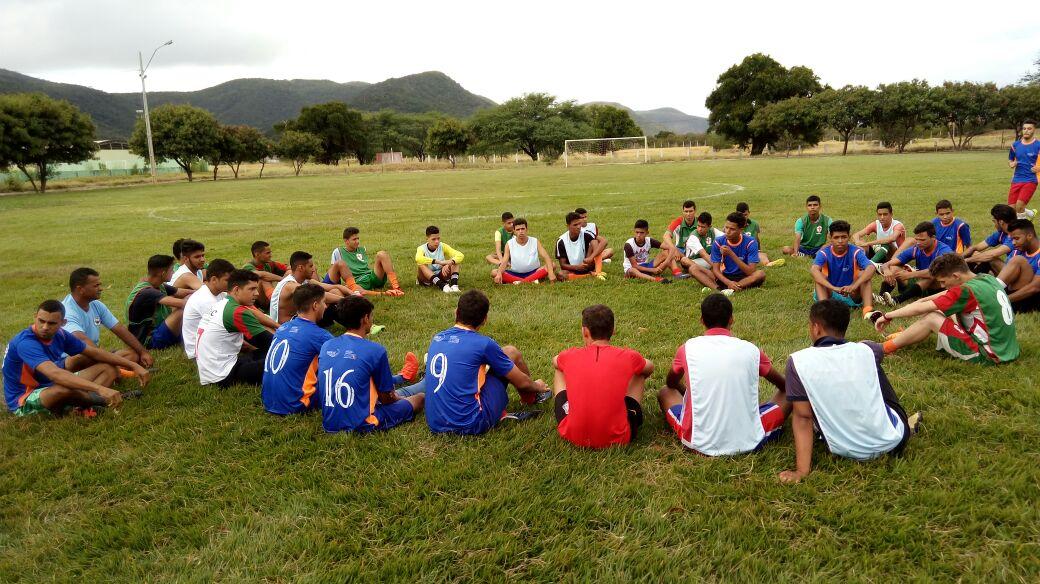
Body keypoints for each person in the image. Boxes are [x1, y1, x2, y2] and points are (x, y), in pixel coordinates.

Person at [778, 300, 920, 484]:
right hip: (894, 442)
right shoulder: (868, 350)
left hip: (844, 449)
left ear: (816, 328)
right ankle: (901, 422)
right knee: (871, 363)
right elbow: (877, 351)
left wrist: (801, 471)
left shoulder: (798, 361)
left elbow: (803, 417)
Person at [657, 293, 789, 456]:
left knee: (665, 392)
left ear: (702, 321)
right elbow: (783, 386)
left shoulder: (687, 348)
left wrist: (692, 393)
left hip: (697, 441)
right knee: (791, 393)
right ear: (731, 319)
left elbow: (671, 383)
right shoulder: (751, 350)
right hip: (750, 439)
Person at [425, 290, 549, 435]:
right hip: (471, 424)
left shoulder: (438, 338)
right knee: (511, 352)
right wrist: (538, 386)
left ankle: (527, 398)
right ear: (485, 319)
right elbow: (523, 383)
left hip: (435, 423)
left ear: (456, 312)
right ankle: (531, 397)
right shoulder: (484, 344)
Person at [4, 300, 150, 416]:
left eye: (51, 323)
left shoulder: (61, 334)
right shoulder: (26, 342)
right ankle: (102, 400)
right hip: (25, 398)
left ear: (63, 323)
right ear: (35, 317)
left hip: (49, 383)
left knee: (107, 368)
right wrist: (100, 389)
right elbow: (56, 375)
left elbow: (95, 353)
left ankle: (79, 406)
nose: (44, 327)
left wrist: (133, 365)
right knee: (64, 389)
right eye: (41, 321)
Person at [872, 254, 1019, 364]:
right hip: (1007, 349)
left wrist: (887, 316)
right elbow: (928, 300)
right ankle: (905, 335)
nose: (942, 286)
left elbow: (923, 308)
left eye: (943, 281)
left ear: (955, 275)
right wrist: (919, 303)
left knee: (932, 318)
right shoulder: (986, 278)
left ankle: (883, 348)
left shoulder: (964, 291)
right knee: (945, 310)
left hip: (988, 355)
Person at [317, 295, 425, 433]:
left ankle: (406, 379)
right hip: (361, 423)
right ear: (366, 319)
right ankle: (418, 382)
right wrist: (401, 399)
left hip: (330, 421)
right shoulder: (375, 350)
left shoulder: (327, 345)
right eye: (371, 316)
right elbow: (387, 399)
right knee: (420, 398)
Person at [552, 305, 653, 448]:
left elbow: (555, 361)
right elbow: (649, 367)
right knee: (640, 373)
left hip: (573, 435)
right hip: (619, 438)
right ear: (613, 330)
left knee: (559, 369)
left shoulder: (569, 355)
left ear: (585, 331)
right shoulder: (629, 356)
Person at [262, 283, 336, 416]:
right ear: (315, 305)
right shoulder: (319, 335)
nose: (326, 306)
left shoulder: (282, 328)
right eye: (324, 302)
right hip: (295, 404)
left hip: (268, 401)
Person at [195, 270, 274, 387]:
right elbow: (272, 343)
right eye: (252, 289)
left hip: (212, 371)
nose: (257, 293)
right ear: (236, 290)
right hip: (223, 376)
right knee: (284, 359)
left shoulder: (222, 304)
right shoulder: (237, 312)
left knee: (263, 353)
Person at [62, 267, 153, 367]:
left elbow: (119, 329)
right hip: (72, 359)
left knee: (133, 353)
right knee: (84, 357)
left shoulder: (96, 305)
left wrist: (143, 352)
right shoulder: (67, 312)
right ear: (80, 289)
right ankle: (110, 370)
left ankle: (107, 369)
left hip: (94, 354)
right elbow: (84, 345)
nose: (101, 288)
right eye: (96, 285)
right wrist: (130, 365)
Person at [876, 222, 953, 305]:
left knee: (931, 277)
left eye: (922, 240)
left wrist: (910, 275)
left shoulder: (944, 251)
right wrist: (886, 269)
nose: (919, 242)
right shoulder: (916, 248)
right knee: (894, 267)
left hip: (937, 288)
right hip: (919, 285)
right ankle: (881, 297)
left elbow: (935, 272)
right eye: (917, 239)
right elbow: (889, 263)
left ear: (933, 238)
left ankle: (897, 300)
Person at [125, 255, 191, 351]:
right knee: (181, 310)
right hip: (148, 341)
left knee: (188, 298)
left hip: (158, 330)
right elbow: (183, 304)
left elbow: (181, 292)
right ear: (163, 273)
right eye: (171, 270)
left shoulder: (158, 285)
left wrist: (203, 291)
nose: (173, 273)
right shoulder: (146, 292)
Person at [811, 220, 876, 317]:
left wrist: (854, 286)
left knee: (863, 274)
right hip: (831, 292)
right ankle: (824, 310)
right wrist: (833, 288)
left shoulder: (856, 251)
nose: (840, 241)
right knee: (820, 278)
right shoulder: (824, 252)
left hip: (852, 294)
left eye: (843, 237)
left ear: (849, 237)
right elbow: (814, 270)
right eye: (836, 237)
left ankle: (868, 311)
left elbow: (871, 268)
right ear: (830, 238)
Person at [271, 251, 354, 325]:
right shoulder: (290, 285)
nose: (313, 270)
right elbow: (319, 295)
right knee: (325, 299)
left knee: (335, 291)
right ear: (300, 268)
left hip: (301, 319)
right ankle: (354, 324)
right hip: (289, 327)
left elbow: (333, 286)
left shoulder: (304, 280)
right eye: (310, 266)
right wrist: (345, 300)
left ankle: (353, 321)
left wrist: (352, 294)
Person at [323, 227, 405, 297]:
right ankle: (385, 294)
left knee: (382, 254)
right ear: (346, 241)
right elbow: (334, 270)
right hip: (358, 282)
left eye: (358, 238)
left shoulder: (362, 249)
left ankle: (396, 287)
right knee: (353, 289)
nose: (357, 241)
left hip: (371, 277)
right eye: (354, 239)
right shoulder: (338, 252)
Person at [182, 259, 236, 359]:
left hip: (210, 343)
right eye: (228, 281)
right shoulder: (206, 300)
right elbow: (229, 327)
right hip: (201, 353)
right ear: (214, 279)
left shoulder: (219, 293)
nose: (232, 284)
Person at [709, 212, 766, 294]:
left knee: (760, 274)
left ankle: (733, 288)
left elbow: (750, 271)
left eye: (732, 229)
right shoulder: (719, 241)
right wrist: (728, 282)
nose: (727, 231)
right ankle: (723, 288)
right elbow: (716, 270)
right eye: (726, 227)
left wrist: (731, 254)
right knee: (695, 269)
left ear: (741, 230)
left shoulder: (751, 242)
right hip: (725, 276)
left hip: (744, 277)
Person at [492, 218, 557, 284]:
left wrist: (551, 273)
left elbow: (546, 257)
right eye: (518, 229)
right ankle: (531, 281)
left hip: (534, 272)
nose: (520, 231)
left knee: (553, 265)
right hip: (515, 273)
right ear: (514, 231)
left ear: (526, 229)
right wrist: (499, 273)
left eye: (522, 229)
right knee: (494, 272)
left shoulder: (535, 241)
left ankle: (519, 282)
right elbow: (504, 262)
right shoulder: (509, 244)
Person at [996, 219, 1040, 313]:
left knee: (1018, 260)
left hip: (1032, 299)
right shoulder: (1017, 250)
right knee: (989, 260)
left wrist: (1003, 301)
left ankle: (991, 296)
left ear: (1030, 236)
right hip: (1015, 293)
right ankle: (988, 293)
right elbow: (1007, 276)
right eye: (1012, 239)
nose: (1013, 243)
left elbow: (1035, 288)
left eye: (1016, 238)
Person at [963, 204, 1016, 275]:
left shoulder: (1015, 235)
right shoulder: (1001, 233)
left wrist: (967, 260)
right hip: (1010, 268)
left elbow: (992, 255)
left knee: (990, 258)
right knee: (974, 253)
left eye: (994, 221)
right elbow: (976, 247)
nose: (994, 224)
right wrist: (959, 257)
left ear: (1001, 222)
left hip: (1018, 274)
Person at [677, 212, 726, 288]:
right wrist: (717, 266)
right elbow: (703, 254)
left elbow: (726, 237)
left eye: (703, 227)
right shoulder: (693, 237)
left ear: (709, 226)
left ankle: (711, 272)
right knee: (684, 260)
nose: (699, 229)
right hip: (695, 261)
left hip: (708, 259)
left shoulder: (713, 231)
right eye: (698, 226)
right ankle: (708, 272)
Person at [555, 211, 605, 281]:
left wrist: (591, 257)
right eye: (575, 225)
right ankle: (589, 275)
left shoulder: (585, 233)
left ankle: (598, 272)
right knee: (560, 275)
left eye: (579, 223)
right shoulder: (561, 241)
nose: (578, 227)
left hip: (587, 265)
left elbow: (601, 243)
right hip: (572, 269)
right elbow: (563, 265)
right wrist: (577, 267)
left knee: (595, 243)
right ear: (568, 226)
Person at [416, 225, 464, 293]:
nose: (437, 241)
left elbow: (460, 255)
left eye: (438, 238)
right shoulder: (421, 248)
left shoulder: (443, 246)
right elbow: (418, 258)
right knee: (421, 264)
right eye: (433, 239)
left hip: (441, 275)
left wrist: (450, 262)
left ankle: (454, 285)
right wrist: (439, 262)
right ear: (427, 239)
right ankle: (442, 286)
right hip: (427, 279)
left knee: (455, 261)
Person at [1007, 119, 1039, 219]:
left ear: (1034, 130)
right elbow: (1010, 159)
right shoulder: (1015, 145)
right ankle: (1031, 214)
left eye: (1029, 129)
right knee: (1011, 209)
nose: (1026, 131)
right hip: (1016, 179)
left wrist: (1039, 167)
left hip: (1030, 180)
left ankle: (1023, 231)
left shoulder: (1038, 145)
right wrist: (1012, 164)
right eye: (1024, 128)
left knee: (1019, 207)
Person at [243, 240, 288, 307]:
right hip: (253, 302)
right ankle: (276, 303)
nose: (270, 255)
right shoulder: (247, 267)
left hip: (265, 299)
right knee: (263, 280)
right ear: (257, 254)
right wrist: (284, 280)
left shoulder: (269, 264)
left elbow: (289, 268)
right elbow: (263, 275)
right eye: (267, 253)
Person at [736, 202, 781, 266]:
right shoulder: (733, 225)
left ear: (749, 213)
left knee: (762, 255)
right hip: (738, 252)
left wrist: (758, 250)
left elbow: (756, 239)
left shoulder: (754, 224)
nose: (744, 217)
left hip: (751, 251)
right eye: (741, 215)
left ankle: (769, 263)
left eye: (745, 215)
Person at [663, 200, 700, 275]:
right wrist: (674, 249)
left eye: (691, 211)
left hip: (695, 251)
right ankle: (678, 271)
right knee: (665, 247)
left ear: (695, 211)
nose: (688, 214)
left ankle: (688, 265)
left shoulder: (700, 222)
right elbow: (666, 235)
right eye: (686, 211)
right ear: (683, 212)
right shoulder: (678, 221)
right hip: (680, 251)